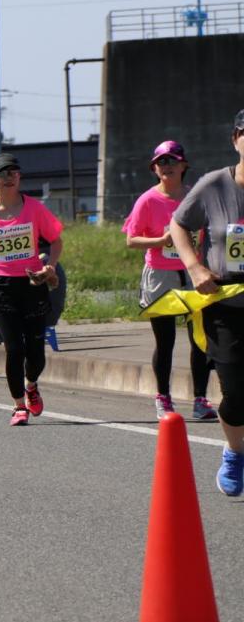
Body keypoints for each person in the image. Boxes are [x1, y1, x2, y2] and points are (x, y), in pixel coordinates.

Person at [170, 110, 244, 496]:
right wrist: (195, 267)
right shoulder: (215, 185)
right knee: (236, 394)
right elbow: (178, 225)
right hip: (224, 302)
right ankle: (235, 452)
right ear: (236, 139)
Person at [0, 153, 63, 426]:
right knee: (14, 348)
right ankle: (19, 405)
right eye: (2, 173)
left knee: (36, 352)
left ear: (19, 177)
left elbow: (55, 241)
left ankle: (31, 384)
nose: (8, 178)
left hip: (33, 283)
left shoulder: (33, 208)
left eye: (13, 173)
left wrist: (51, 266)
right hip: (0, 285)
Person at [124, 140, 217, 421]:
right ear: (154, 169)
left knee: (200, 339)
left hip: (193, 273)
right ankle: (163, 397)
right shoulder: (148, 200)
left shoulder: (196, 196)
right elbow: (131, 240)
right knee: (164, 341)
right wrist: (162, 240)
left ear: (183, 165)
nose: (167, 166)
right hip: (161, 274)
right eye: (161, 162)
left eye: (172, 161)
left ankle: (200, 399)